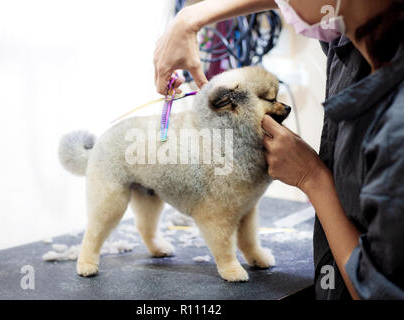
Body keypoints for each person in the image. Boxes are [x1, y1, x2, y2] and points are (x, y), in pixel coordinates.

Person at [153, 0, 404, 300]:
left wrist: (311, 177)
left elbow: (375, 292)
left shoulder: (397, 128)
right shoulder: (349, 38)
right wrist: (191, 17)